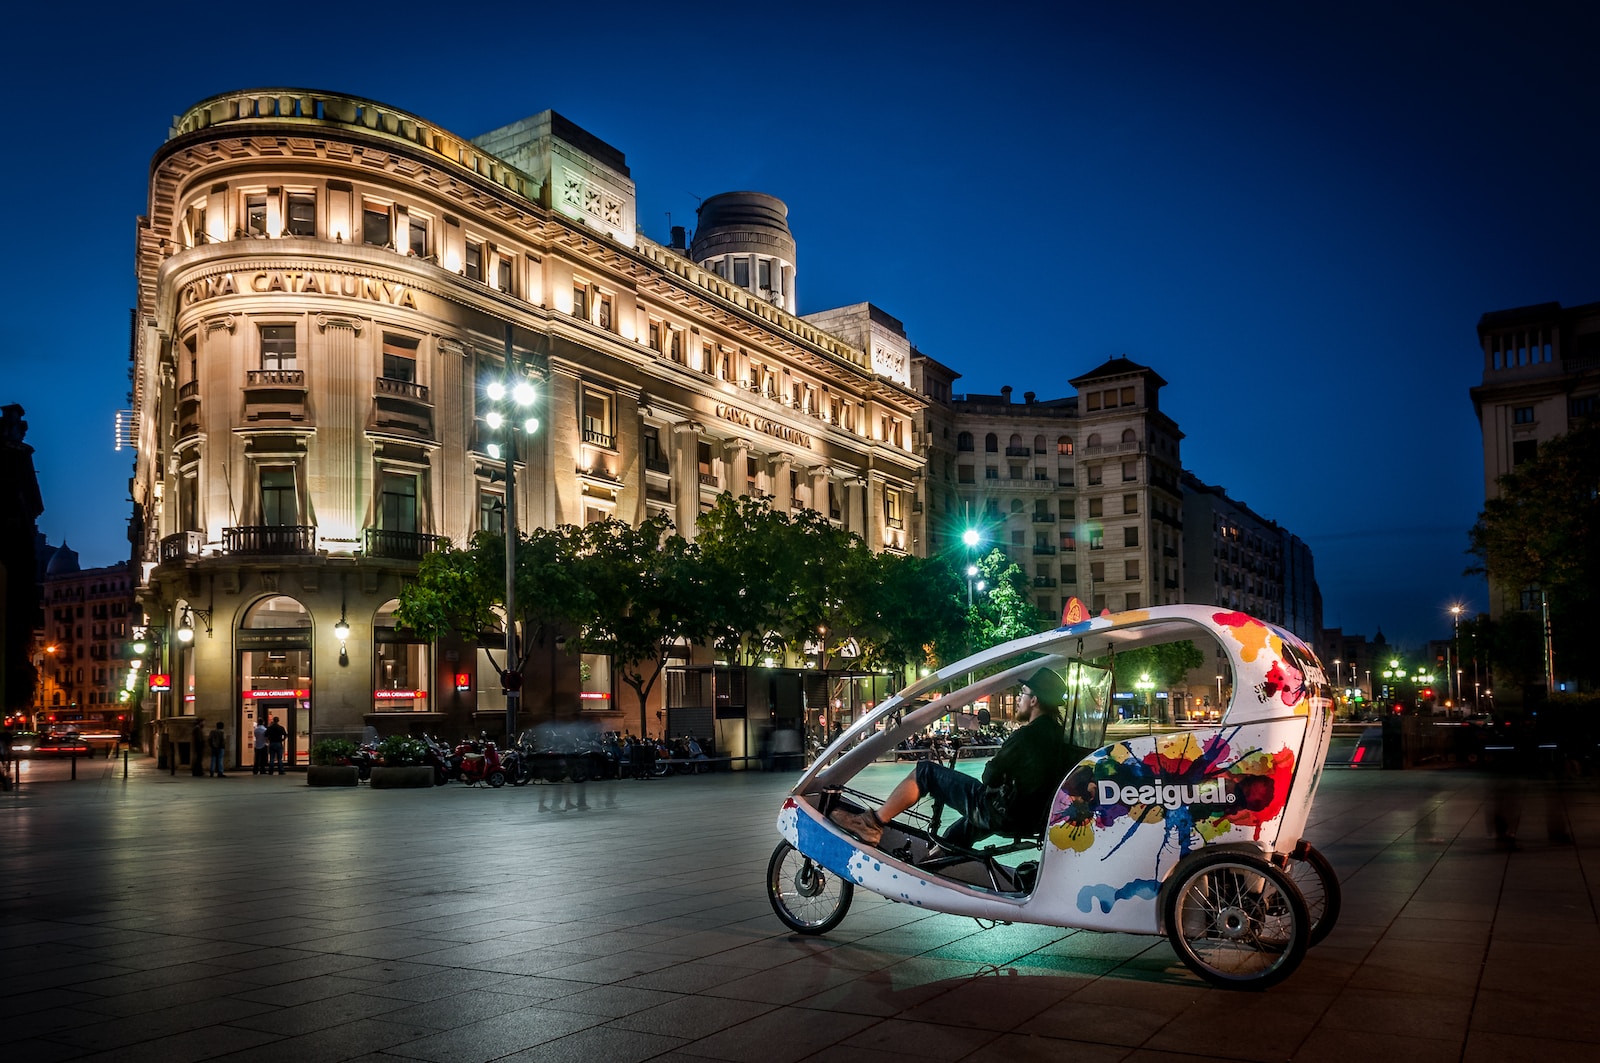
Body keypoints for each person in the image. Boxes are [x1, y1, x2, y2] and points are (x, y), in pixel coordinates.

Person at [831, 667, 1075, 852]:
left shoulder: (1027, 736)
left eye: (1022, 694)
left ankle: (872, 823)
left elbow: (989, 775)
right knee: (961, 831)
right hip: (1026, 817)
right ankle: (935, 862)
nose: (1019, 698)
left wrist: (997, 769)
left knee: (926, 771)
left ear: (1034, 700)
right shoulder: (1058, 736)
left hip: (1000, 811)